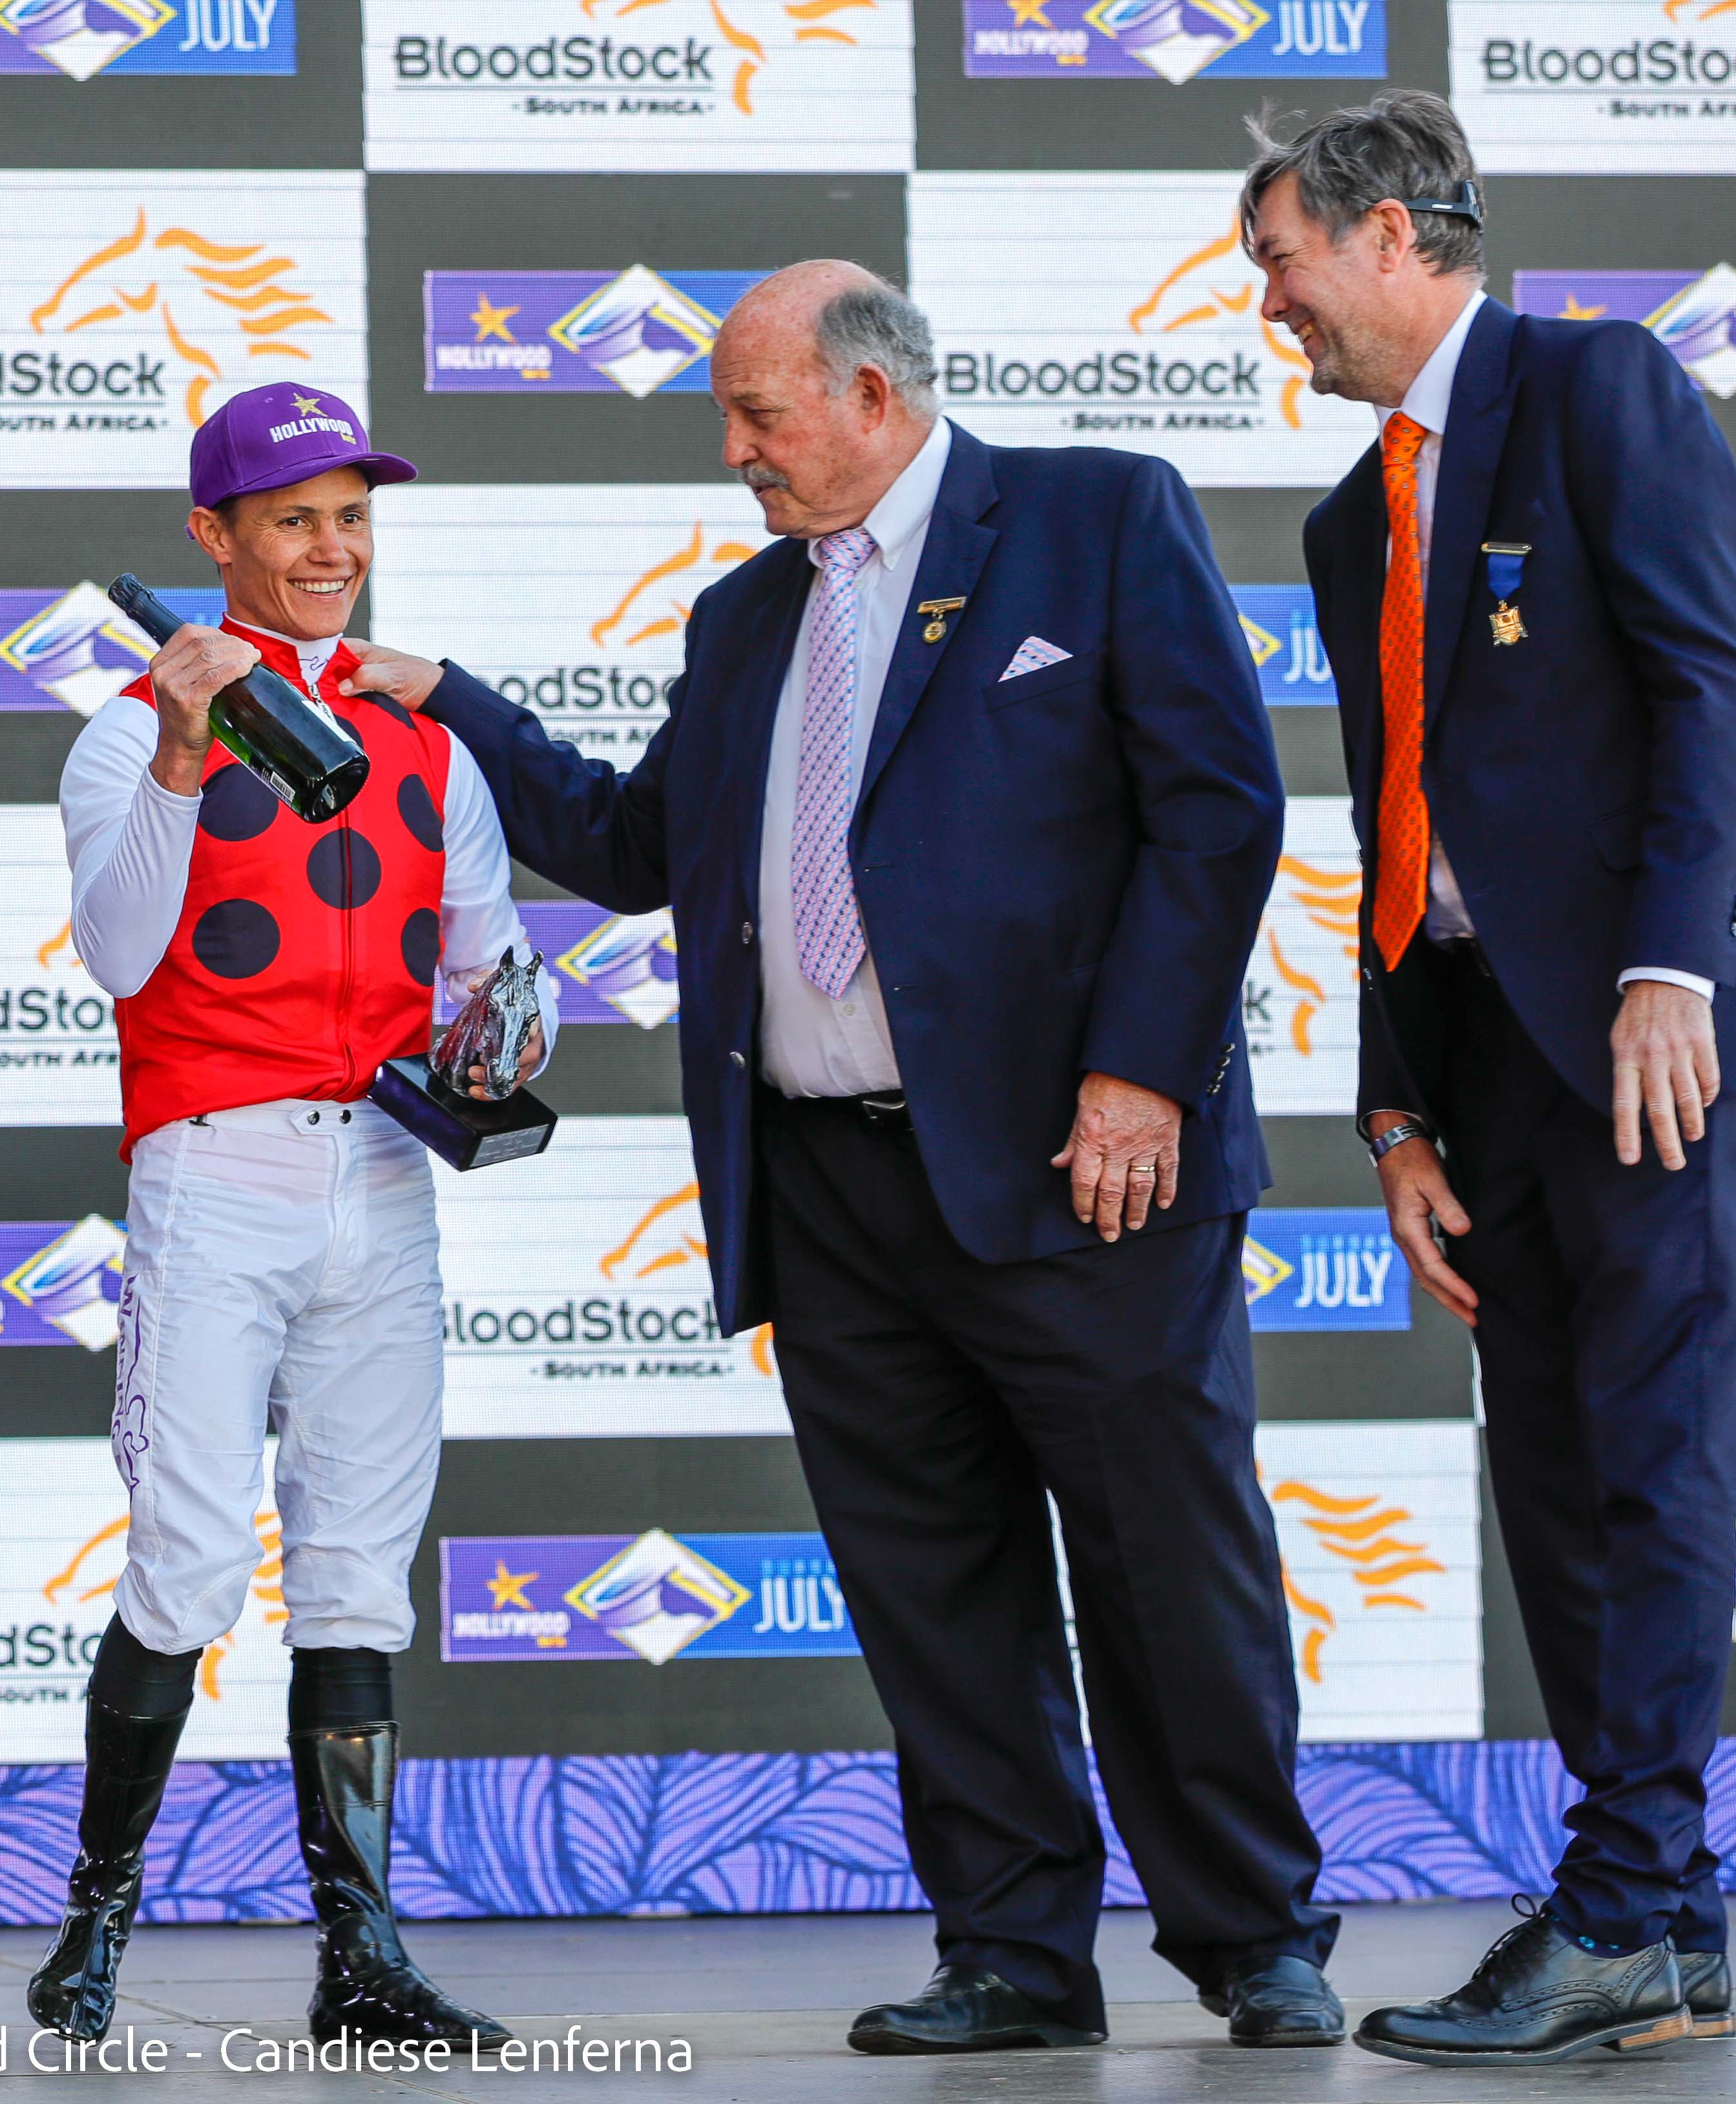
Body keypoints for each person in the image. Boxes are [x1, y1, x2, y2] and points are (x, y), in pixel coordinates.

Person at [341, 263, 1343, 2055]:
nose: (736, 452)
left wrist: (1141, 1074)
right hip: (832, 1195)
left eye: (759, 414)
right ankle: (1012, 1953)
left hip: (1084, 1166)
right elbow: (634, 842)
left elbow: (1217, 811)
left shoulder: (1098, 516)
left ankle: (1254, 1934)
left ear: (874, 395)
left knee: (1166, 1570)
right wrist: (448, 702)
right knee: (932, 1594)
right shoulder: (743, 617)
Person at [1242, 94, 1736, 2067]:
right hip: (1485, 1060)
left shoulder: (1597, 388)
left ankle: (1615, 1908)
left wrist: (1672, 968)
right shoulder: (1349, 518)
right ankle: (1661, 1928)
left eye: (1282, 261)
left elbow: (1709, 683)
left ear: (1390, 233)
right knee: (1557, 1488)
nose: (1270, 306)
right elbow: (1390, 830)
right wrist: (1394, 1112)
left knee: (1649, 1469)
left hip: (1657, 1042)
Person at [32, 382, 550, 2049]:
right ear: (215, 537)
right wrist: (188, 755)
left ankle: (363, 1965)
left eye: (351, 517)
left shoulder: (427, 745)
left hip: (386, 1180)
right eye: (295, 521)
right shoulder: (128, 729)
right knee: (187, 1564)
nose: (333, 550)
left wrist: (505, 1039)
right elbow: (121, 952)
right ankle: (95, 1929)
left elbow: (487, 968)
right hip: (215, 1171)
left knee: (356, 1580)